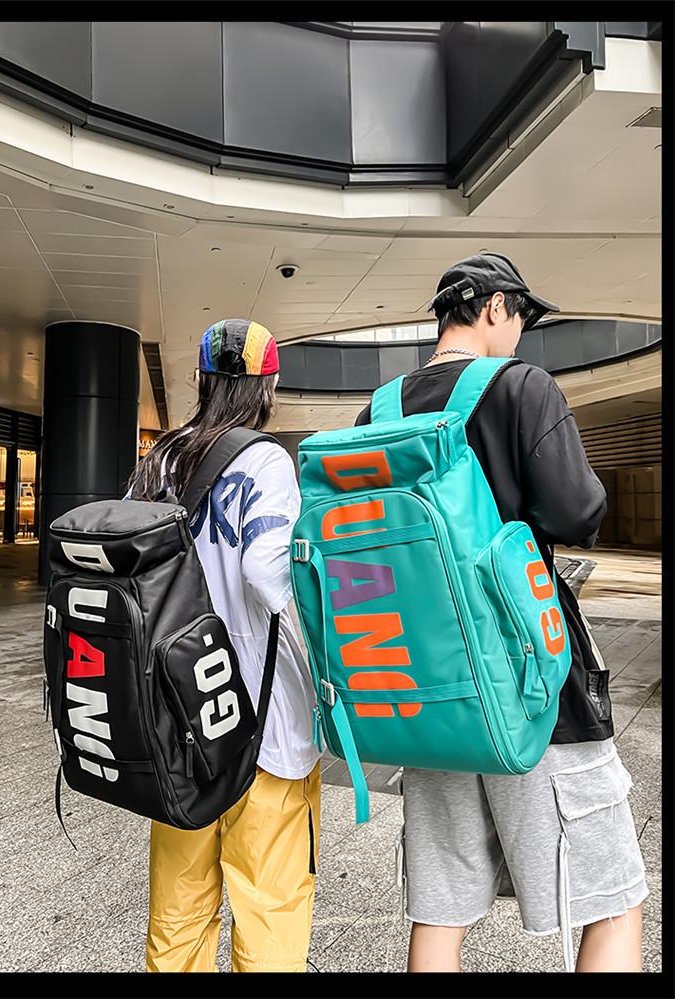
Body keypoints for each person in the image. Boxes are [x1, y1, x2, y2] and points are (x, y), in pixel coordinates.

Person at [355, 253, 648, 973]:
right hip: (533, 686)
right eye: (523, 317)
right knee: (612, 900)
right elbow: (579, 513)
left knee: (441, 912)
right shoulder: (521, 386)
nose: (522, 335)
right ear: (493, 307)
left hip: (428, 694)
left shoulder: (378, 411)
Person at [127, 319, 321, 973]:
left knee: (178, 906)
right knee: (269, 904)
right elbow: (269, 574)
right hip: (259, 723)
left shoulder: (158, 458)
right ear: (268, 388)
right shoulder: (265, 460)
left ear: (201, 380)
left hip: (176, 717)